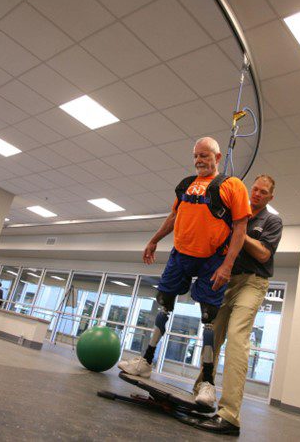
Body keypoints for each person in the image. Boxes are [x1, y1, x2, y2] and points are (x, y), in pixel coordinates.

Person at [118, 137, 251, 407]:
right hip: (181, 255)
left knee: (209, 319)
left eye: (204, 155)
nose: (199, 160)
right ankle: (146, 361)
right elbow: (173, 218)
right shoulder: (185, 184)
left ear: (217, 157)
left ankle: (207, 383)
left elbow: (240, 229)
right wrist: (154, 239)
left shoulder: (232, 185)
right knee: (163, 306)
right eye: (195, 156)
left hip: (213, 260)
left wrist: (227, 265)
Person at [192, 174, 283, 435]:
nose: (257, 194)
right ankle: (202, 392)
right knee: (212, 336)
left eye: (263, 192)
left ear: (270, 197)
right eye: (254, 189)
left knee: (236, 337)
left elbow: (265, 253)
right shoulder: (235, 213)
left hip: (253, 284)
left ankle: (230, 414)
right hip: (228, 280)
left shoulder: (271, 220)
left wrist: (239, 232)